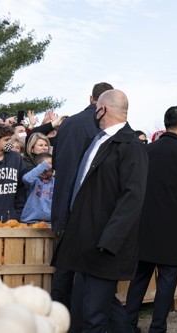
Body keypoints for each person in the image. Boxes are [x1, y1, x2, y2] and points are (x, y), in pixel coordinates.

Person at [52, 89, 148, 332]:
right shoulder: (97, 140)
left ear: (103, 109)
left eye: (97, 109)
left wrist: (109, 240)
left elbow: (132, 198)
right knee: (86, 308)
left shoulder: (131, 146)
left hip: (104, 246)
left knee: (94, 315)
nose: (95, 113)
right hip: (83, 241)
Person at [125, 106, 177, 333]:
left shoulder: (147, 150)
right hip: (173, 229)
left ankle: (127, 323)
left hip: (144, 225)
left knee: (139, 277)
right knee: (167, 280)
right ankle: (157, 327)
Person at [50, 82, 113, 312]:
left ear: (91, 98)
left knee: (65, 267)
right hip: (86, 205)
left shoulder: (67, 125)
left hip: (62, 203)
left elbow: (56, 163)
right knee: (86, 271)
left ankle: (58, 316)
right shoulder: (103, 126)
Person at [0, 124, 26, 222]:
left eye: (10, 139)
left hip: (11, 219)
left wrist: (18, 213)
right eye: (6, 140)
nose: (10, 143)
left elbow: (22, 188)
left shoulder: (16, 158)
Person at [20, 152, 54, 225]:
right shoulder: (35, 180)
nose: (50, 166)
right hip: (31, 221)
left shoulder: (54, 182)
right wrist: (43, 166)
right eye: (49, 164)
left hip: (50, 222)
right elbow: (26, 178)